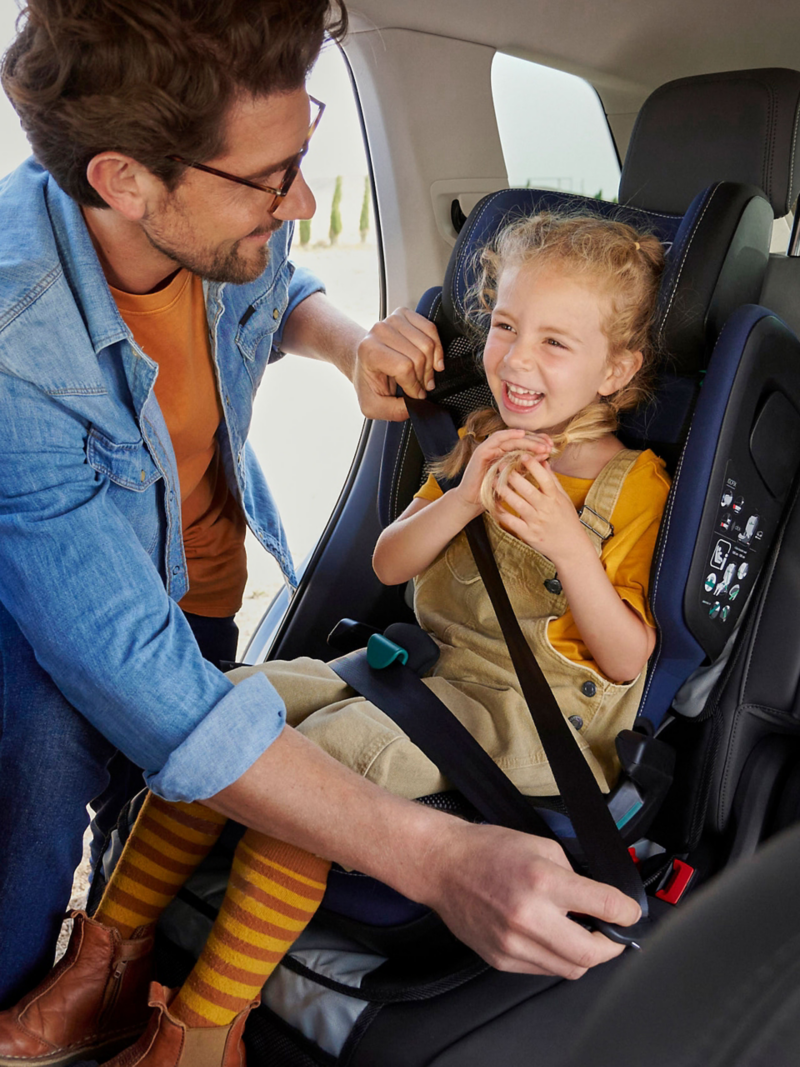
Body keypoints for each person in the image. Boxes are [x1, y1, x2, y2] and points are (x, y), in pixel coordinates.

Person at [0, 0, 642, 1037]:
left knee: (229, 743)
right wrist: (435, 858)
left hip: (206, 579)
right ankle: (92, 976)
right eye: (267, 179)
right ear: (122, 179)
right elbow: (155, 687)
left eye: (301, 150)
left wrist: (350, 345)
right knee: (37, 803)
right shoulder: (12, 343)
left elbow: (267, 277)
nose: (298, 195)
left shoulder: (224, 197)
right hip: (78, 616)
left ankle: (167, 1003)